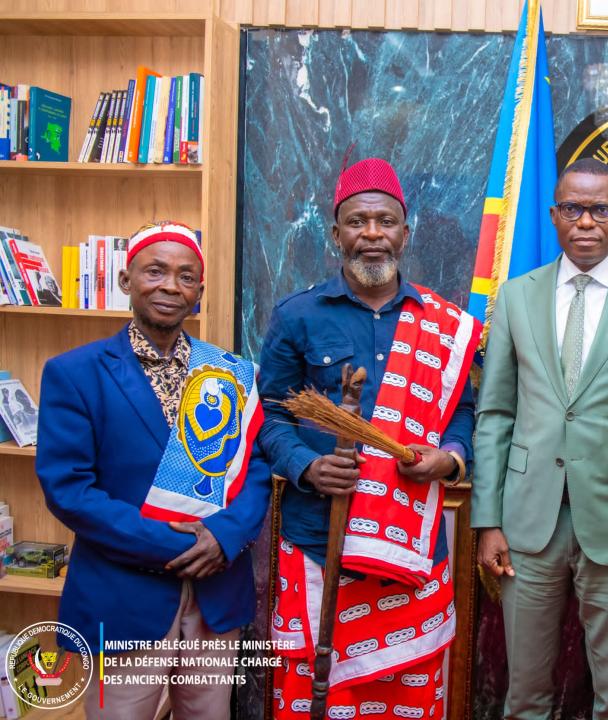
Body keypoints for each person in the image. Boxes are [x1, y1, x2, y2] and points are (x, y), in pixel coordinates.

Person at [259, 156, 480, 719]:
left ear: (406, 232)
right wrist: (307, 466)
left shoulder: (445, 322)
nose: (373, 234)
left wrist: (449, 459)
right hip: (318, 542)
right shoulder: (297, 316)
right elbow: (269, 415)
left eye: (385, 221)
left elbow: (465, 413)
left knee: (405, 695)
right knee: (320, 697)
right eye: (358, 222)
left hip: (411, 550)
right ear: (336, 234)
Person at [471, 157, 608, 720]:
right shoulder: (516, 296)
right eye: (573, 208)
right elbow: (494, 413)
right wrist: (487, 520)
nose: (586, 221)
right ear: (554, 215)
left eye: (599, 209)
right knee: (524, 697)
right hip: (526, 523)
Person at [36, 221, 271, 719]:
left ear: (199, 293)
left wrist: (223, 538)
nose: (170, 286)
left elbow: (254, 471)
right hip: (122, 592)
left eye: (186, 277)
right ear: (126, 281)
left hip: (216, 589)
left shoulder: (229, 373)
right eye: (155, 271)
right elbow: (69, 491)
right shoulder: (75, 373)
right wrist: (182, 545)